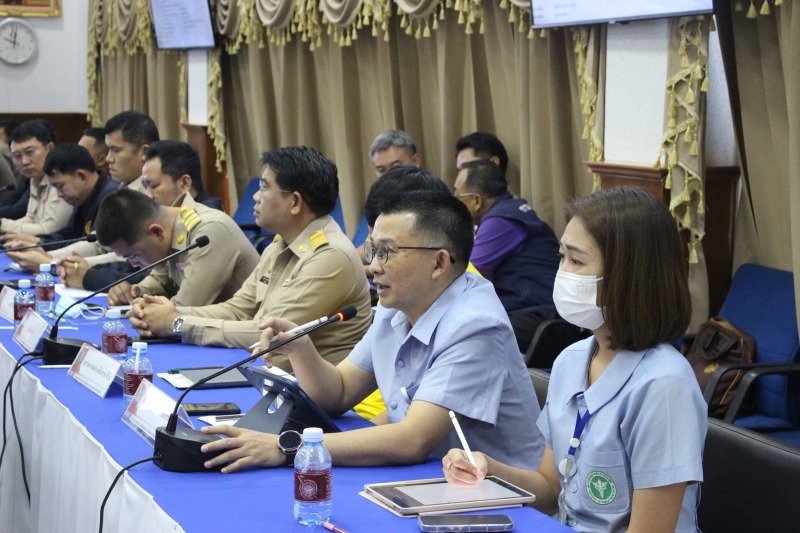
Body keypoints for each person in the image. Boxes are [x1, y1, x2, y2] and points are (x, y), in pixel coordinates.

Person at [196, 191, 544, 472]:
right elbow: (340, 391)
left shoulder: (476, 325)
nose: (373, 266)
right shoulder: (396, 307)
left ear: (439, 262)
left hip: (498, 498)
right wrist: (302, 349)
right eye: (373, 250)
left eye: (386, 253)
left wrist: (284, 446)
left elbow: (412, 441)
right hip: (428, 478)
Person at [442, 187, 707, 532]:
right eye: (561, 258)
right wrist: (488, 469)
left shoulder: (664, 385)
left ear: (628, 276)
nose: (563, 273)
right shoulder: (571, 360)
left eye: (577, 261)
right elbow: (552, 489)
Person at [129, 146, 372, 371]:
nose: (256, 197)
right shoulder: (279, 245)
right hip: (267, 374)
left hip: (312, 396)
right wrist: (169, 312)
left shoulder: (329, 257)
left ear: (295, 202)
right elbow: (238, 309)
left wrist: (177, 323)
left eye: (265, 187)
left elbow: (269, 336)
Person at [454, 158, 560, 352]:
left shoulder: (500, 222)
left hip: (536, 318)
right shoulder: (511, 210)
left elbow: (466, 280)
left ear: (477, 200)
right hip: (543, 314)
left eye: (458, 195)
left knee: (459, 335)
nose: (454, 200)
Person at [92, 188, 259, 307]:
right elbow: (162, 280)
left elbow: (183, 309)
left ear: (156, 232)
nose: (134, 264)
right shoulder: (172, 231)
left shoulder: (208, 232)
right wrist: (134, 293)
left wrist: (143, 306)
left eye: (134, 255)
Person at [50, 111, 160, 289]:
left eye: (115, 150)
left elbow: (127, 259)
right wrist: (53, 258)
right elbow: (99, 243)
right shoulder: (123, 188)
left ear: (144, 152)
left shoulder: (152, 197)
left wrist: (76, 268)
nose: (108, 158)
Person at [4, 144, 117, 272]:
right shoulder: (82, 196)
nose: (59, 194)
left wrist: (50, 262)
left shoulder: (112, 198)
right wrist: (40, 245)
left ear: (81, 176)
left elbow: (99, 248)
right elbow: (68, 236)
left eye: (60, 186)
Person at [1, 119, 72, 236]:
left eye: (30, 152)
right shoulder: (35, 177)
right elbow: (31, 218)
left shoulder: (61, 179)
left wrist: (3, 225)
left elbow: (49, 230)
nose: (24, 162)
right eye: (17, 156)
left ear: (50, 148)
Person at [139, 140, 222, 210]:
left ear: (184, 183)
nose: (148, 195)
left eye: (154, 186)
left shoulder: (207, 223)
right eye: (145, 187)